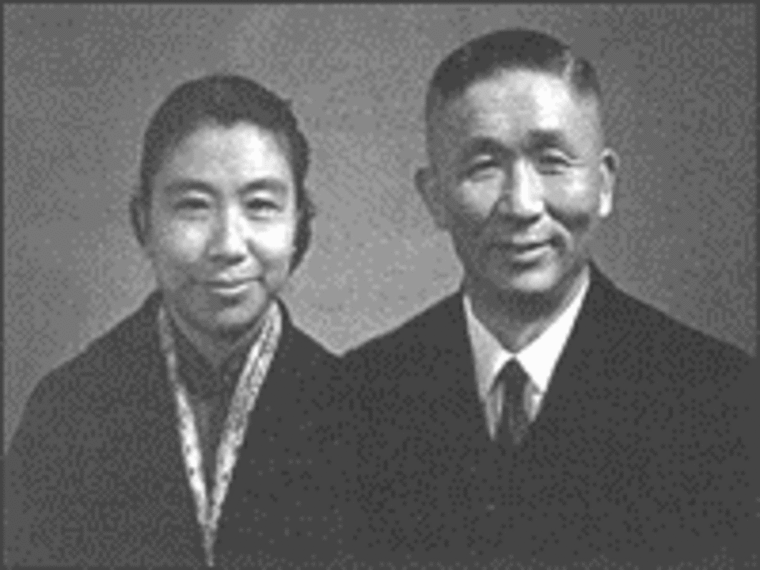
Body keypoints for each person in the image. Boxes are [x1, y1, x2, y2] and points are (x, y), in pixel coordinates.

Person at [344, 29, 757, 567]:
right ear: (435, 196)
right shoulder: (358, 397)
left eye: (552, 161)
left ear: (604, 184)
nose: (521, 204)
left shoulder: (719, 400)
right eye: (483, 166)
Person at [5, 74, 354, 567]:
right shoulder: (68, 411)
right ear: (143, 221)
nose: (228, 246)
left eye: (260, 205)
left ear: (300, 224)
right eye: (193, 206)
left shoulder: (359, 413)